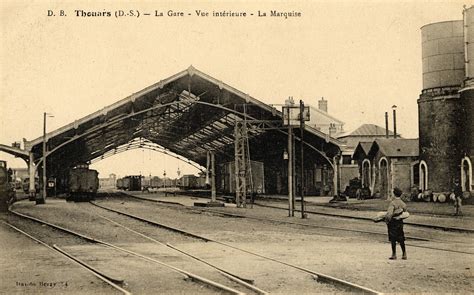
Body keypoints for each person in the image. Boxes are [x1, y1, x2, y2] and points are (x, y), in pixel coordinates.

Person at [385, 187, 407, 260]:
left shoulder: (392, 203)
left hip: (393, 222)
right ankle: (404, 254)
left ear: (394, 194)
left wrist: (387, 220)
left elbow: (389, 214)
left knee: (393, 239)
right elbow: (405, 212)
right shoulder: (403, 203)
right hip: (400, 222)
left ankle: (394, 254)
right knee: (401, 238)